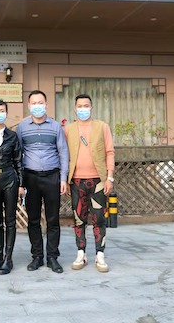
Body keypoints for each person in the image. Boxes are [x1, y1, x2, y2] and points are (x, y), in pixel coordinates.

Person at [17, 90, 69, 274]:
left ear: (46, 104)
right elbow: (18, 156)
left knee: (53, 219)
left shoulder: (55, 127)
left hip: (52, 177)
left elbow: (63, 153)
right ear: (29, 106)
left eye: (41, 102)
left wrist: (63, 178)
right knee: (33, 219)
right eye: (34, 103)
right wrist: (21, 183)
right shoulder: (22, 128)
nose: (37, 106)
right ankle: (37, 256)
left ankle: (52, 257)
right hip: (31, 178)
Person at [64, 94, 115, 273]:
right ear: (75, 108)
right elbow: (63, 155)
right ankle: (81, 253)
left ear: (91, 108)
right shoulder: (68, 129)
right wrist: (65, 179)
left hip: (98, 180)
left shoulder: (102, 127)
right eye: (80, 106)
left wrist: (109, 177)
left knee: (99, 218)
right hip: (76, 181)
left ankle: (100, 254)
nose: (83, 109)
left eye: (86, 106)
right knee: (79, 218)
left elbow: (109, 152)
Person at [0, 100, 24, 275]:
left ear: (6, 113)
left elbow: (18, 161)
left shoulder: (12, 136)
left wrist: (21, 184)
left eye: (2, 111)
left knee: (10, 220)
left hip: (10, 178)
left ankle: (8, 258)